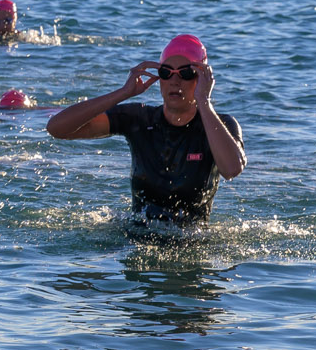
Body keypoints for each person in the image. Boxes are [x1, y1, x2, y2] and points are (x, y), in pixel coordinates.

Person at [45, 33, 244, 225]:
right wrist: (123, 93)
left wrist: (204, 101)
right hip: (135, 238)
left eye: (186, 73)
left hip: (192, 243)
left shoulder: (220, 126)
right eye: (166, 72)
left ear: (201, 78)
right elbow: (57, 128)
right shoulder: (139, 119)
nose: (175, 81)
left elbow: (232, 169)